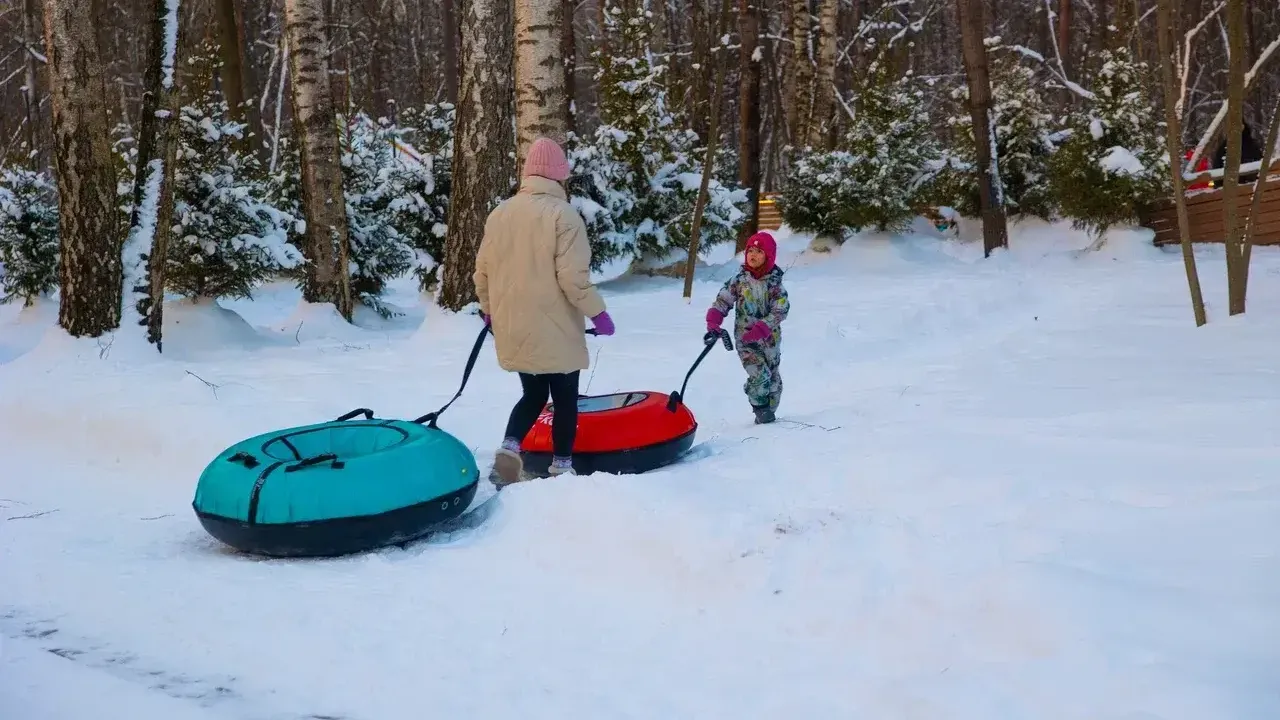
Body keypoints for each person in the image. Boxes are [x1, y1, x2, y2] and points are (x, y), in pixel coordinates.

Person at [473, 137, 615, 485]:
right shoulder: (564, 216)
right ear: (558, 176)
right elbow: (572, 278)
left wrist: (489, 310)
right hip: (556, 327)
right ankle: (562, 465)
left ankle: (509, 448)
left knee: (533, 394)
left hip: (514, 325)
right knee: (565, 398)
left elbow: (483, 271)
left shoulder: (500, 214)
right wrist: (598, 314)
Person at [705, 231, 790, 424]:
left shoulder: (775, 284)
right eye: (750, 250)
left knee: (774, 383)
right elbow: (723, 299)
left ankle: (768, 416)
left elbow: (781, 309)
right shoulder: (739, 280)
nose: (753, 254)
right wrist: (714, 320)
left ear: (768, 256)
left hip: (770, 341)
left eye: (759, 251)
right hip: (746, 341)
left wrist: (764, 326)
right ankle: (760, 409)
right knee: (760, 375)